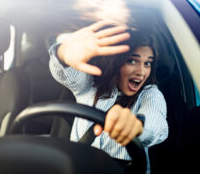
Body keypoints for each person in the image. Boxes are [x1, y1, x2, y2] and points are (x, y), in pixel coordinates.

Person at [48, 20, 168, 173]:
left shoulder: (150, 94)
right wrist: (63, 53)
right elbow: (65, 74)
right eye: (132, 61)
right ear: (117, 62)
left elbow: (157, 122)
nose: (141, 72)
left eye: (147, 64)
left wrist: (137, 125)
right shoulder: (90, 85)